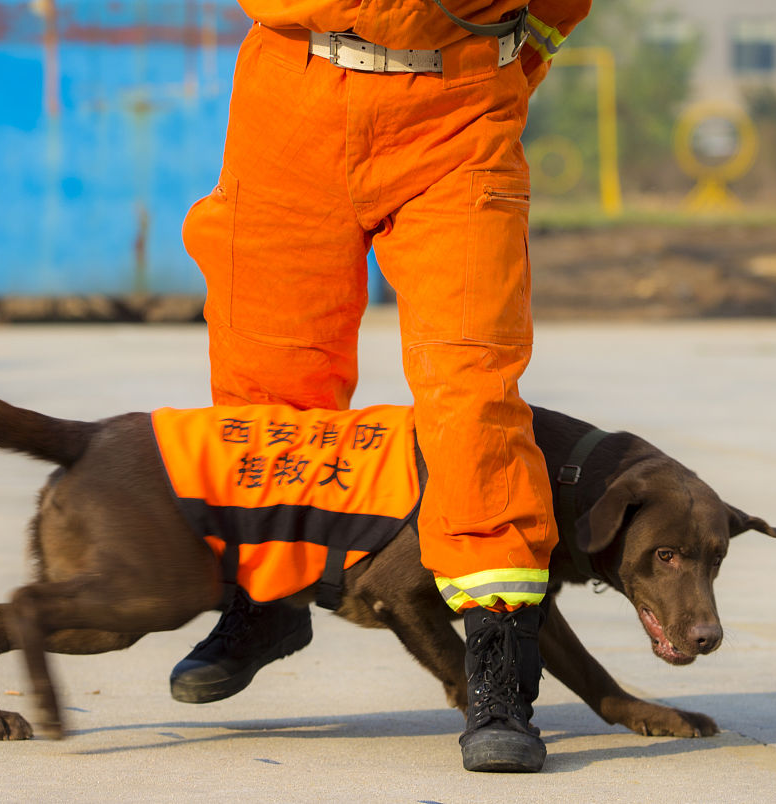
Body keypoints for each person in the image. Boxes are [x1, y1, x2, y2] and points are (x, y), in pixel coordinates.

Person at [175, 0, 591, 773]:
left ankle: (496, 664)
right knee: (266, 377)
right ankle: (269, 598)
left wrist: (507, 59)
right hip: (292, 93)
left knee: (471, 385)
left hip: (457, 113)